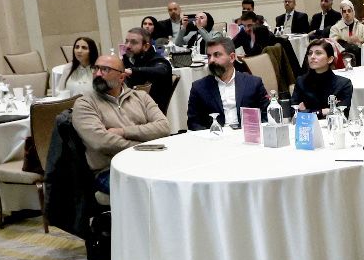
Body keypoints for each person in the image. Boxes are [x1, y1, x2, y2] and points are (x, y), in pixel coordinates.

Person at [71, 54, 170, 193]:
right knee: (151, 190)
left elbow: (164, 127)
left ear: (121, 77)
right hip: (110, 170)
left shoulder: (141, 97)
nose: (98, 74)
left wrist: (122, 132)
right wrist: (144, 147)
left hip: (149, 163)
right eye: (96, 68)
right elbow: (102, 142)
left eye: (105, 69)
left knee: (175, 181)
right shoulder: (85, 104)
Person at [186, 35, 269, 131]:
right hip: (215, 137)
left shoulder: (253, 83)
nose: (211, 60)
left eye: (217, 55)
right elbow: (193, 123)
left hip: (246, 134)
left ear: (232, 57)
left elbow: (266, 116)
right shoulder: (199, 88)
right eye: (209, 56)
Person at [292, 38, 354, 115]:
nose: (312, 56)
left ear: (330, 59)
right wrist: (323, 112)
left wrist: (307, 111)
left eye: (318, 53)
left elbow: (342, 113)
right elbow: (294, 112)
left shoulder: (343, 84)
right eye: (310, 53)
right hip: (307, 123)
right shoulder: (301, 81)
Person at [120, 27, 173, 100]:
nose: (128, 46)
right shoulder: (128, 59)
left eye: (133, 42)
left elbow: (162, 70)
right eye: (126, 41)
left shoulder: (156, 59)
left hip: (150, 104)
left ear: (146, 46)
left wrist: (133, 71)